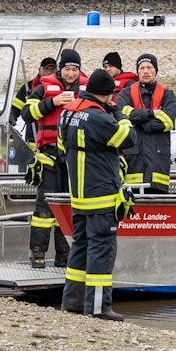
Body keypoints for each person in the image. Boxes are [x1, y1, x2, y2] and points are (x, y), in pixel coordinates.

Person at [58, 68, 133, 319]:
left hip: (78, 196)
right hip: (101, 196)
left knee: (80, 248)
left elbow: (61, 146)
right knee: (101, 252)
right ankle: (99, 308)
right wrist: (120, 114)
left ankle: (72, 302)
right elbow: (128, 138)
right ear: (106, 94)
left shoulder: (67, 113)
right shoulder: (101, 118)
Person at [22, 48, 87, 269]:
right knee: (44, 207)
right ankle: (38, 253)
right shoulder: (44, 87)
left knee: (68, 205)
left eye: (74, 70)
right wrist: (53, 102)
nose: (71, 74)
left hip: (74, 154)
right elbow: (27, 113)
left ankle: (64, 255)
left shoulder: (87, 88)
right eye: (67, 69)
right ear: (61, 69)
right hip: (49, 154)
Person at [115, 52, 176, 193]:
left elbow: (167, 122)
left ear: (156, 70)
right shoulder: (125, 94)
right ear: (137, 71)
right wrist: (150, 114)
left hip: (158, 165)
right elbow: (122, 115)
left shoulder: (168, 95)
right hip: (133, 162)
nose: (145, 71)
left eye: (149, 67)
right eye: (142, 68)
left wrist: (138, 121)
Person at [9, 56, 57, 151]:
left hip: (53, 140)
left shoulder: (61, 88)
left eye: (52, 69)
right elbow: (15, 109)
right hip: (32, 139)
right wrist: (10, 119)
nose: (49, 72)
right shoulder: (28, 87)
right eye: (46, 69)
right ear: (39, 70)